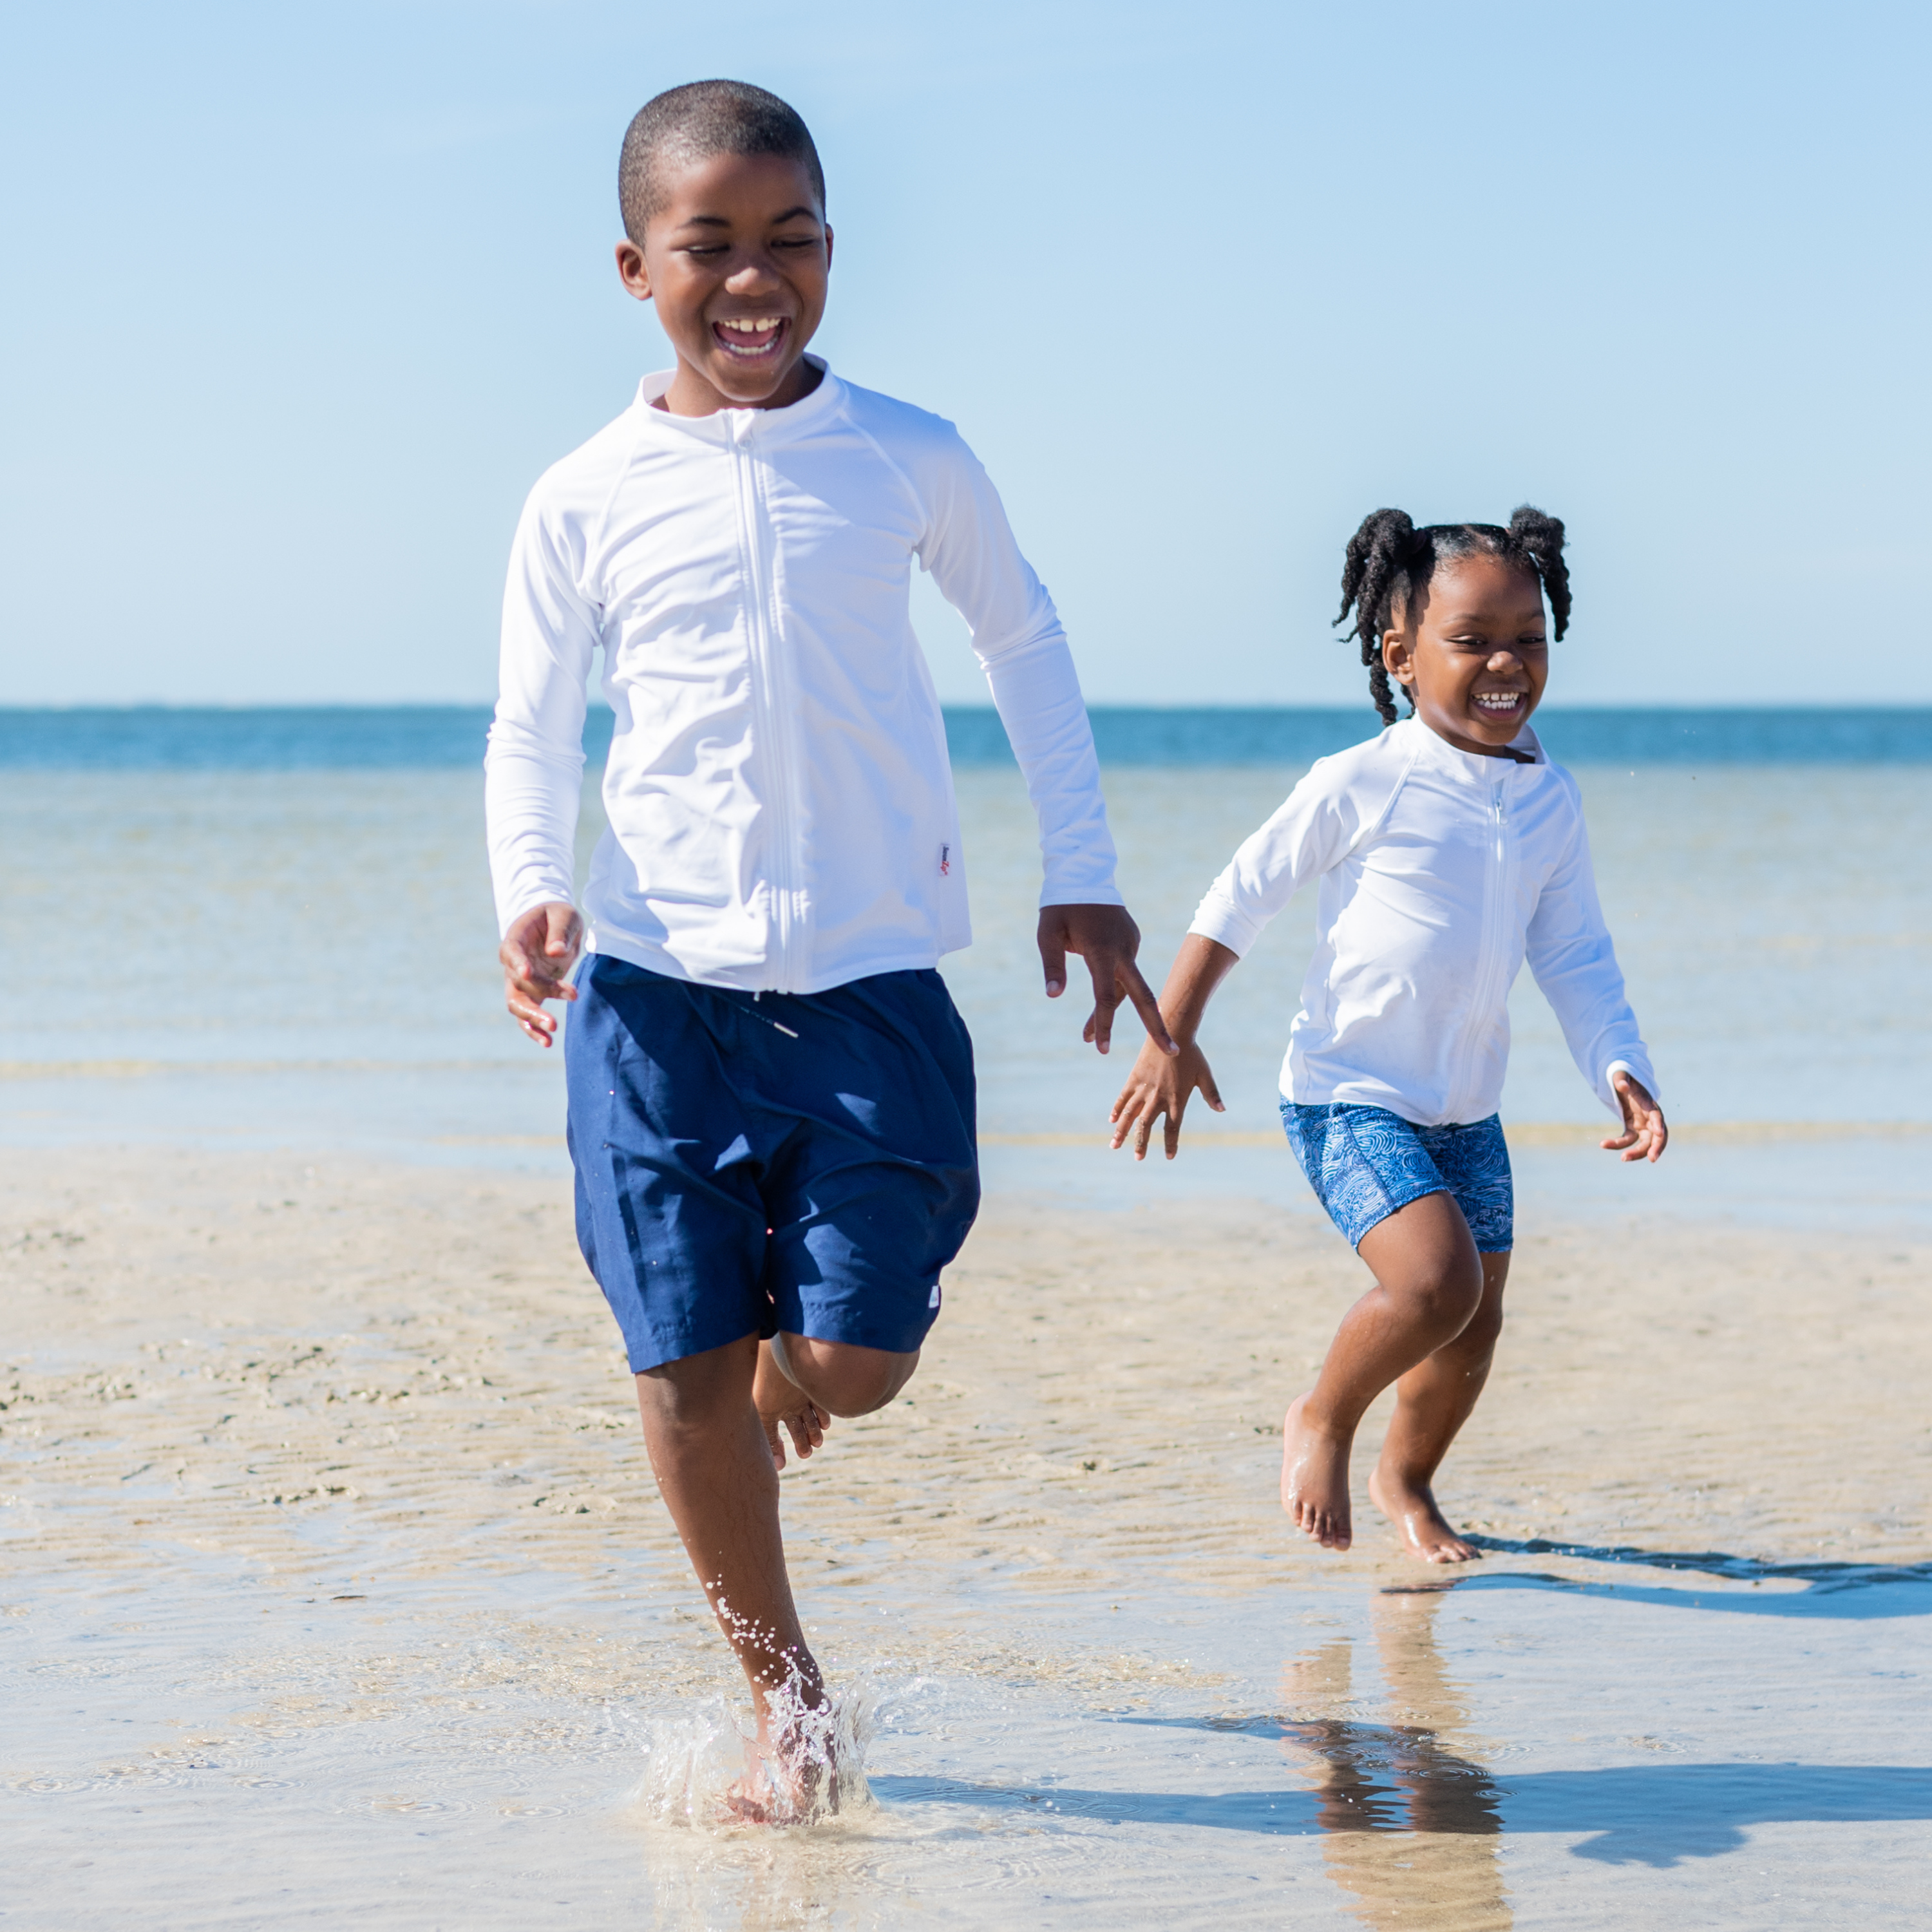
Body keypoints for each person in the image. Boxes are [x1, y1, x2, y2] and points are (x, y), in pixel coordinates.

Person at [484, 79, 1173, 1813]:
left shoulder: (905, 454)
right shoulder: (580, 494)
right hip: (649, 995)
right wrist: (529, 886)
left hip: (870, 985)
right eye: (709, 248)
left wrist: (1079, 871)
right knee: (678, 1368)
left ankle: (796, 1368)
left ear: (831, 253)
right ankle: (789, 1707)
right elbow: (529, 724)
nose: (753, 282)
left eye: (788, 242)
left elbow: (1025, 637)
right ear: (635, 264)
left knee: (854, 1371)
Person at [1108, 507, 1665, 1564]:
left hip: (1466, 1108)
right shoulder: (1365, 778)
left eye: (1529, 639)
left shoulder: (1549, 800)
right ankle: (1320, 1414)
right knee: (1434, 1286)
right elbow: (1241, 896)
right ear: (1401, 656)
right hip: (1347, 1092)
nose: (1507, 662)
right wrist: (1169, 1036)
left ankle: (1408, 1484)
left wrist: (1620, 1067)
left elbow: (1575, 955)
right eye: (1474, 641)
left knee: (1476, 1321)